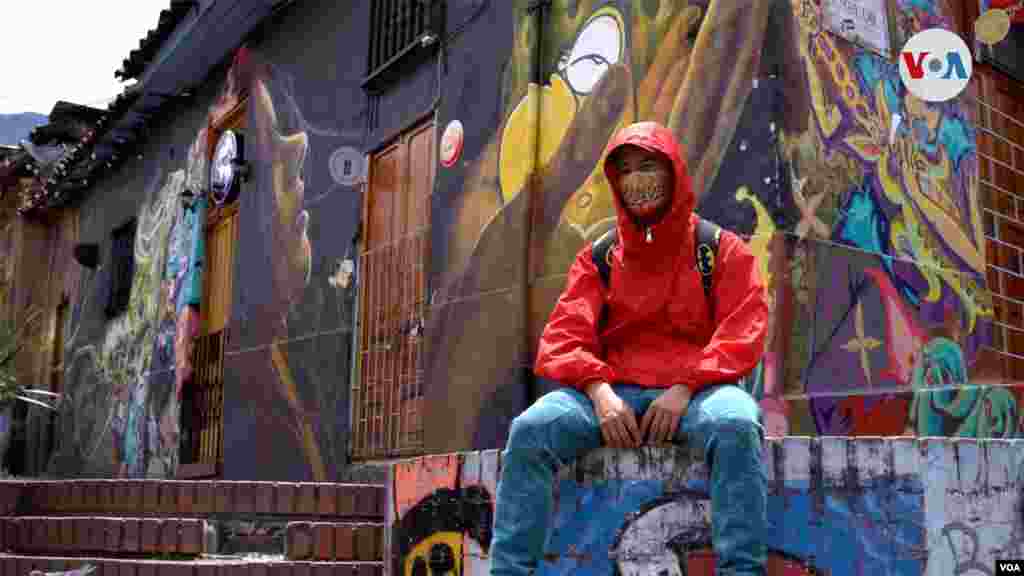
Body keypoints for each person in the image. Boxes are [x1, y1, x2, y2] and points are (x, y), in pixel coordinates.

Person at [490, 122, 770, 576]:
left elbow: (745, 328)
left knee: (737, 424)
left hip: (699, 393)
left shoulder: (719, 250)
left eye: (647, 166)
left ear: (673, 170)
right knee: (530, 430)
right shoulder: (598, 258)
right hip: (609, 393)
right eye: (625, 172)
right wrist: (600, 393)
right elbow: (563, 336)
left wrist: (685, 387)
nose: (636, 181)